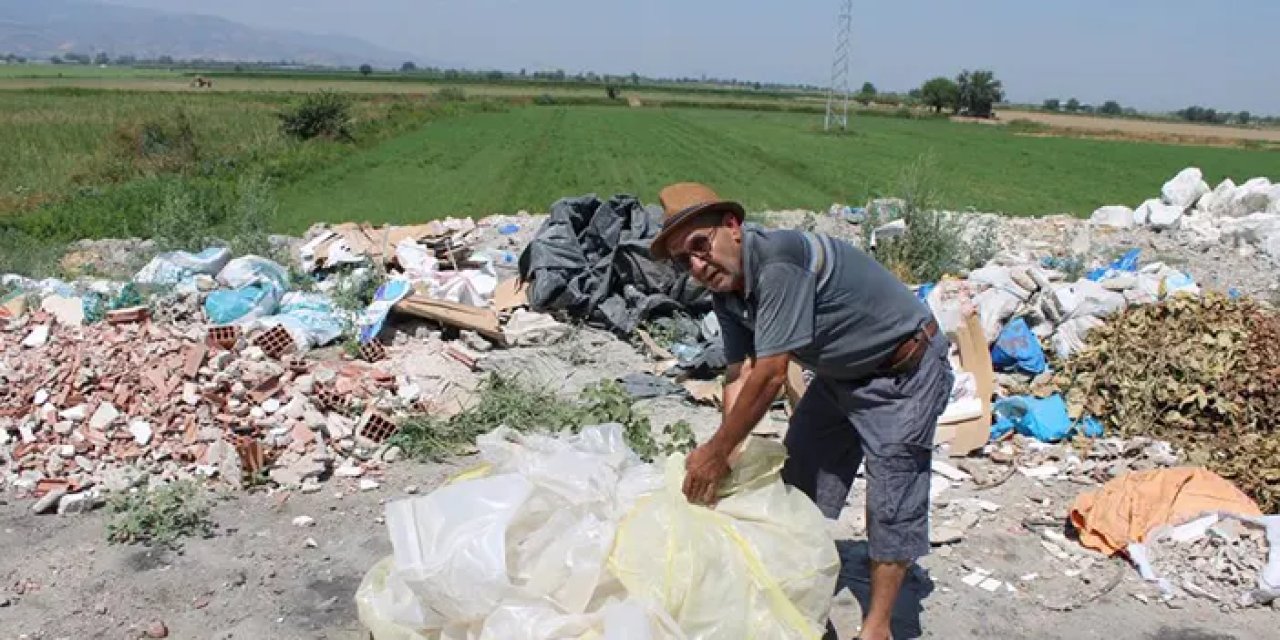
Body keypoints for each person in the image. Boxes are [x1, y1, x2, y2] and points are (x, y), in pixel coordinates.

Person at [650, 182, 954, 640]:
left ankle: (878, 628)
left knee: (891, 498)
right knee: (798, 475)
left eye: (699, 245)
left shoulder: (778, 264)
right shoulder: (728, 291)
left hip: (902, 371)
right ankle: (795, 574)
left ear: (732, 226)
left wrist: (717, 452)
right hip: (840, 375)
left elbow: (771, 375)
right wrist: (729, 454)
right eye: (683, 260)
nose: (697, 265)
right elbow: (740, 372)